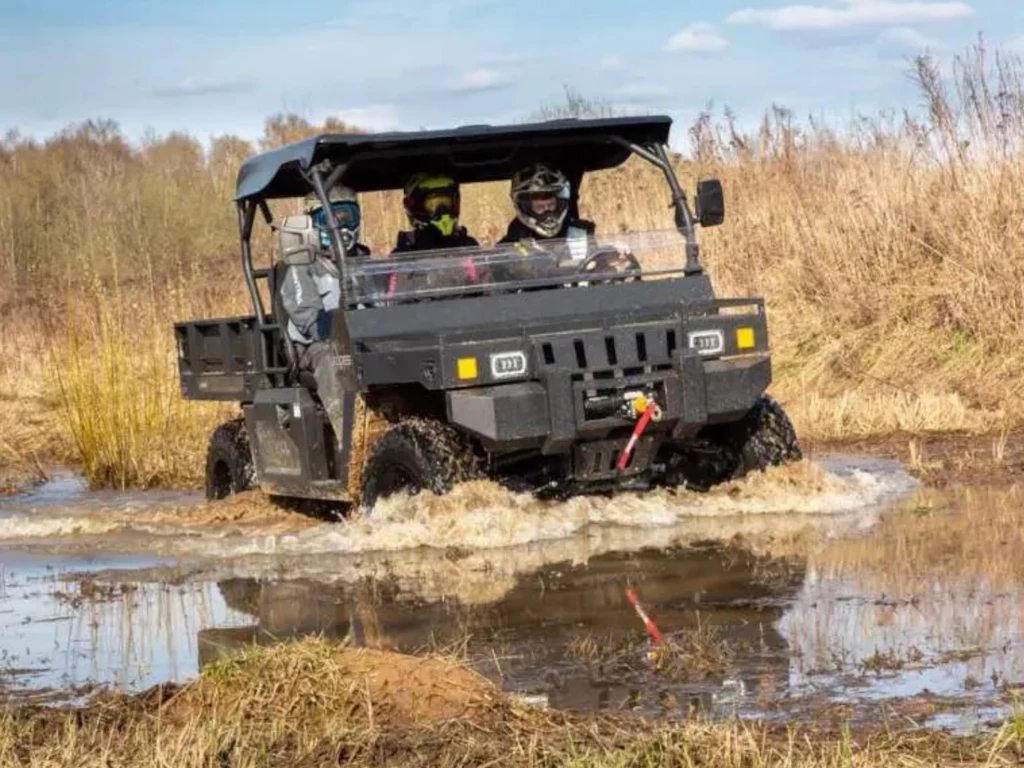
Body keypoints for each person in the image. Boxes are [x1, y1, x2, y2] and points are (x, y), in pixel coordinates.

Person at [278, 184, 367, 443]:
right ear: (314, 224)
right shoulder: (301, 263)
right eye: (330, 219)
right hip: (317, 344)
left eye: (346, 217)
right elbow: (306, 315)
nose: (340, 227)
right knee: (335, 362)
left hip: (362, 339)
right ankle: (352, 443)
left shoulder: (364, 260)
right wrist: (337, 327)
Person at [498, 163, 595, 245]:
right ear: (524, 207)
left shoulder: (580, 236)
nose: (547, 211)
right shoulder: (509, 247)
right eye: (539, 206)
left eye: (551, 204)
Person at [392, 172, 479, 253]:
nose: (442, 211)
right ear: (415, 208)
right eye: (432, 205)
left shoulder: (468, 247)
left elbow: (484, 268)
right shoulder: (404, 253)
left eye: (446, 204)